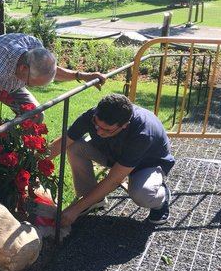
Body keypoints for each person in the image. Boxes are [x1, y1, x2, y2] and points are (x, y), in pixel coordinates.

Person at [48, 93, 175, 226]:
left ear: (125, 125)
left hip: (146, 164)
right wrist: (31, 164)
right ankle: (92, 199)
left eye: (107, 130)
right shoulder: (93, 115)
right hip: (114, 155)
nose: (99, 132)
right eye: (97, 125)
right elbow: (63, 142)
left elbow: (114, 179)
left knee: (142, 194)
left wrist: (75, 209)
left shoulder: (143, 133)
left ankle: (161, 199)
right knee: (74, 146)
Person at [0, 33, 106, 138]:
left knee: (35, 115)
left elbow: (51, 71)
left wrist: (84, 76)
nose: (28, 87)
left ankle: (17, 159)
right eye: (30, 84)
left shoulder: (34, 48)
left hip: (8, 82)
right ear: (23, 69)